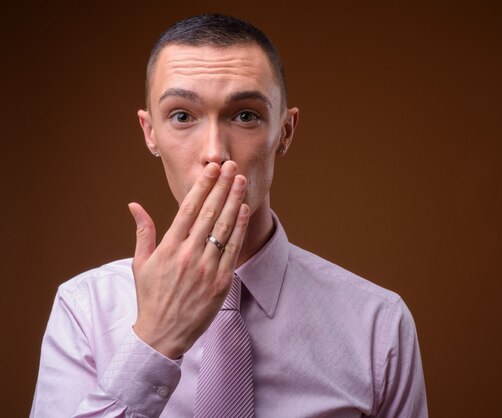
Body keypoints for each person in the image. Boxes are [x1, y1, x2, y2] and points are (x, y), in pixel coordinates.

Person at [31, 14, 428, 417]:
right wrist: (155, 341)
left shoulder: (378, 326)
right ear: (150, 133)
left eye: (245, 116)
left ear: (285, 131)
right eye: (182, 116)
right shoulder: (84, 308)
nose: (215, 152)